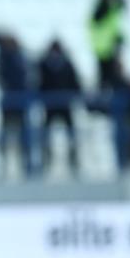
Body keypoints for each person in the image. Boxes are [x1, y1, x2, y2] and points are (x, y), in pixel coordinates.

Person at [37, 39, 82, 174]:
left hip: (65, 105)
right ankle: (46, 160)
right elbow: (38, 83)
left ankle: (73, 160)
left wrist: (74, 96)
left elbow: (75, 82)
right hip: (49, 105)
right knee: (46, 133)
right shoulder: (43, 64)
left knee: (71, 133)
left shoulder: (67, 64)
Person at [0, 34, 35, 177]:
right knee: (6, 135)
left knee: (24, 136)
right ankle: (3, 167)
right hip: (9, 102)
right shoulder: (3, 57)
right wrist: (6, 87)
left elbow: (30, 76)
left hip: (21, 102)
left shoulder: (22, 57)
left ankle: (26, 167)